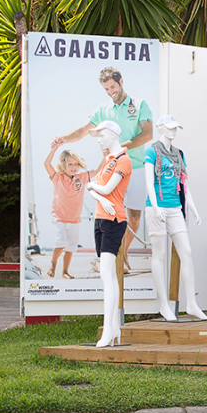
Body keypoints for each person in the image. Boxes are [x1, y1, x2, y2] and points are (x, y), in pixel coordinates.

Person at [58, 67, 152, 272]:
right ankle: (113, 257)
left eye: (113, 87)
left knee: (134, 217)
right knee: (110, 215)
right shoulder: (103, 109)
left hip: (135, 168)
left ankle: (123, 252)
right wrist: (63, 139)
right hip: (110, 169)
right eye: (106, 89)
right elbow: (83, 131)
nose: (111, 92)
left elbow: (147, 134)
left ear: (121, 81)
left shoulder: (140, 105)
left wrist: (122, 147)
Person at [144, 115, 207, 321]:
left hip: (175, 207)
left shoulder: (179, 154)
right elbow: (148, 181)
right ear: (161, 128)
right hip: (157, 209)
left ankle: (191, 303)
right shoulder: (151, 151)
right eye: (170, 128)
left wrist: (193, 208)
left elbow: (183, 183)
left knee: (186, 252)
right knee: (159, 255)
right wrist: (155, 207)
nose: (173, 131)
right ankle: (164, 305)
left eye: (175, 128)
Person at [86, 121, 132, 347]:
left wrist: (95, 190)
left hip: (114, 221)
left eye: (101, 135)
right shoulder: (107, 161)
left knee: (107, 274)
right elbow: (96, 190)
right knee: (108, 275)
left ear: (113, 134)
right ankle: (114, 329)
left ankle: (109, 331)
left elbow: (102, 188)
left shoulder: (123, 160)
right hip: (100, 219)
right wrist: (98, 194)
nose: (98, 139)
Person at [43, 138, 100, 279]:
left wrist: (106, 156)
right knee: (61, 242)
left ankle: (65, 271)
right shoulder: (57, 177)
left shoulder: (81, 177)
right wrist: (54, 148)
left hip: (74, 219)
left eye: (75, 164)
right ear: (63, 165)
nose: (74, 167)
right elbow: (46, 163)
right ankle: (53, 263)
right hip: (59, 217)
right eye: (70, 164)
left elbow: (98, 170)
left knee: (71, 247)